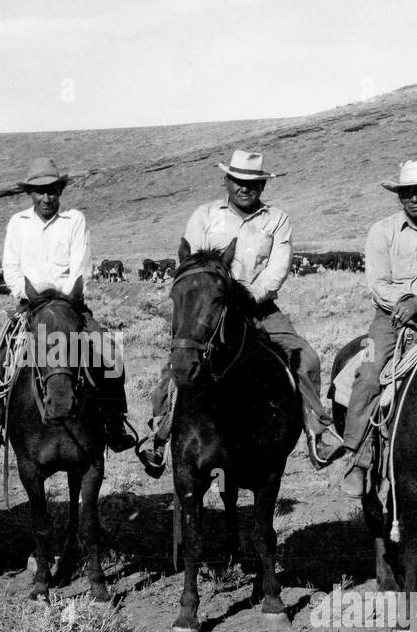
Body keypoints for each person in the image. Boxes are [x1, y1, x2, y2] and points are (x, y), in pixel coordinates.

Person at [135, 150, 344, 476]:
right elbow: (190, 266)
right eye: (239, 181)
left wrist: (245, 300)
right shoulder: (204, 216)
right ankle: (159, 435)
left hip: (258, 308)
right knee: (178, 362)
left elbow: (277, 270)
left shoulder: (277, 219)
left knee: (306, 358)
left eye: (254, 183)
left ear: (262, 185)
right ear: (227, 181)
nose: (246, 188)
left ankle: (318, 431)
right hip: (208, 310)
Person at [0, 157, 134, 459]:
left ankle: (114, 422)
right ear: (30, 193)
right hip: (30, 306)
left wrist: (66, 299)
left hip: (70, 306)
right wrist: (29, 295)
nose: (47, 198)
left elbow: (80, 267)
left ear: (60, 191)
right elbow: (12, 267)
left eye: (53, 191)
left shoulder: (75, 220)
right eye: (40, 191)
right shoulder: (17, 224)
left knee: (109, 352)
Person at [337, 159, 417, 498]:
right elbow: (377, 284)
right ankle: (357, 457)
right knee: (367, 373)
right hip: (387, 320)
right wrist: (408, 302)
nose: (415, 199)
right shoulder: (382, 231)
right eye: (408, 193)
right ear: (399, 196)